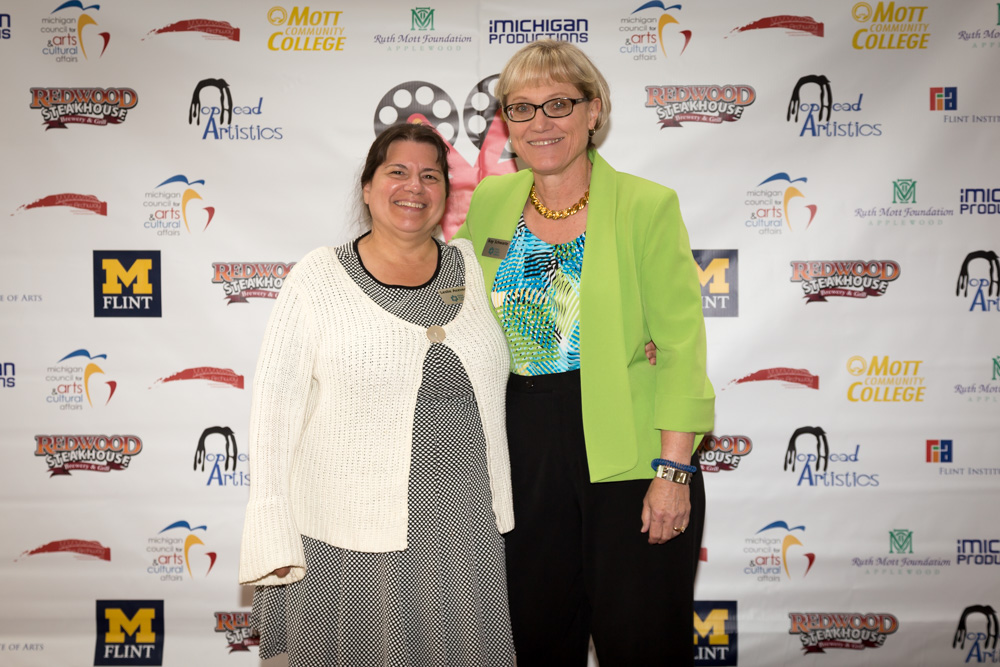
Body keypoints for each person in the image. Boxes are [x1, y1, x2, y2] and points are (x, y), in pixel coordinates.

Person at [454, 40, 715, 666]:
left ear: (593, 111)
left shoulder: (647, 206)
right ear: (507, 123)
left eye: (558, 104)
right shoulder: (490, 202)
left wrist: (673, 472)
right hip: (520, 453)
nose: (539, 122)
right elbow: (448, 304)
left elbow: (680, 346)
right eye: (521, 108)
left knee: (642, 643)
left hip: (631, 456)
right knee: (536, 643)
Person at [239, 123, 515, 666]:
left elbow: (545, 331)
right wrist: (271, 528)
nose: (414, 187)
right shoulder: (318, 278)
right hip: (345, 542)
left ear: (446, 193)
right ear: (367, 187)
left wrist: (635, 342)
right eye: (398, 172)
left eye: (430, 176)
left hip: (465, 536)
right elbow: (274, 411)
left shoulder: (475, 268)